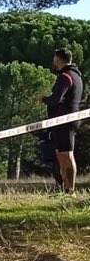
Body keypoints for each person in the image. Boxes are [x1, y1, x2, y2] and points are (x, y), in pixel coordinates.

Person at [41, 48, 84, 195]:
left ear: (58, 60)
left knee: (67, 155)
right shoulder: (76, 75)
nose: (54, 62)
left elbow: (56, 99)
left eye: (55, 59)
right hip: (65, 119)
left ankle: (70, 191)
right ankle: (65, 188)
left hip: (64, 120)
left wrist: (44, 99)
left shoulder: (66, 76)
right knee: (61, 155)